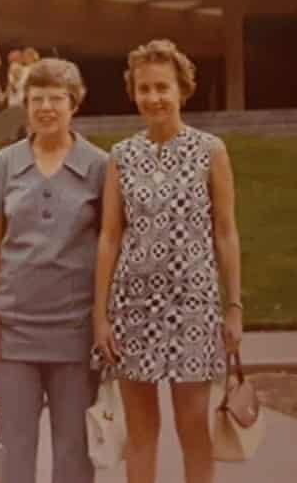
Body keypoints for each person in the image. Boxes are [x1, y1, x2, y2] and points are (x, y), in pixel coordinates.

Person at [93, 39, 245, 483]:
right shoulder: (122, 156)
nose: (154, 97)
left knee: (193, 427)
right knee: (140, 433)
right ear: (133, 93)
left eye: (163, 87)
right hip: (132, 309)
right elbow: (109, 237)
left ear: (182, 90)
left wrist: (233, 306)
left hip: (193, 306)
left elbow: (226, 231)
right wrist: (99, 316)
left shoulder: (210, 150)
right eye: (144, 88)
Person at [0, 58, 108, 483]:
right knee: (13, 447)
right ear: (25, 105)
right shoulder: (5, 162)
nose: (46, 107)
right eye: (37, 99)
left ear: (74, 104)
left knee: (74, 449)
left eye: (56, 98)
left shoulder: (100, 165)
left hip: (75, 329)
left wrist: (102, 316)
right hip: (13, 328)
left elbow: (110, 244)